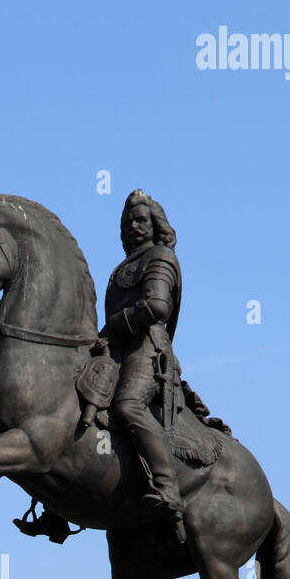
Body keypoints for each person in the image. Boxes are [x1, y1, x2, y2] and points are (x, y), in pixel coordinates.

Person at [78, 190, 184, 532]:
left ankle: (167, 487)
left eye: (140, 220)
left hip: (147, 348)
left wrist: (115, 325)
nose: (133, 227)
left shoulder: (161, 257)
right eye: (127, 223)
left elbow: (157, 308)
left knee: (126, 406)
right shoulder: (119, 268)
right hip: (117, 348)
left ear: (155, 225)